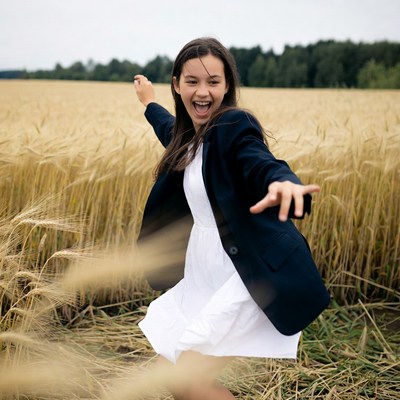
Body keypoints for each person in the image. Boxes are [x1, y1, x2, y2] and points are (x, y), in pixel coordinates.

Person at [134, 37, 330, 399]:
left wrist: (284, 185)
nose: (203, 91)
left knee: (186, 376)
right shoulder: (186, 137)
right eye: (192, 82)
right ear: (176, 85)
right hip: (203, 271)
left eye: (213, 82)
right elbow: (165, 126)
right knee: (170, 370)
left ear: (227, 86)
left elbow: (260, 162)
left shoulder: (233, 126)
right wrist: (148, 101)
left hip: (243, 272)